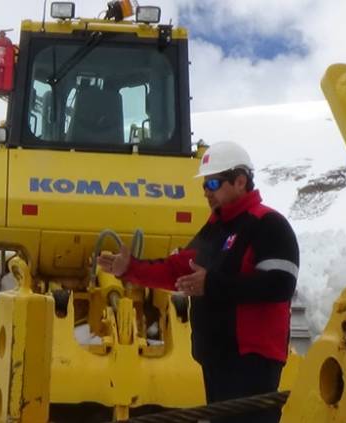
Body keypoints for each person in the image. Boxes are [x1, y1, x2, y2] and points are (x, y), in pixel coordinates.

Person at [98, 141, 299, 423]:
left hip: (251, 360)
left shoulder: (268, 225)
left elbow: (280, 285)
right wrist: (130, 269)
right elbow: (177, 271)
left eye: (213, 183)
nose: (206, 191)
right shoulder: (217, 227)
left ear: (240, 181)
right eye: (204, 185)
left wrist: (212, 285)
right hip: (217, 358)